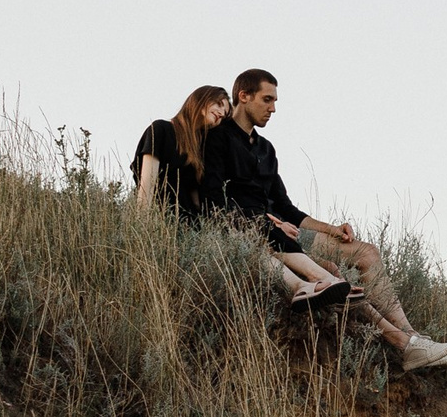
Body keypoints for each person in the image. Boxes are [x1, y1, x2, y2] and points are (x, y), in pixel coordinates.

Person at [204, 68, 447, 370]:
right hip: (258, 232)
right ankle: (405, 345)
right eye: (267, 99)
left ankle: (416, 339)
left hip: (287, 229)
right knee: (332, 273)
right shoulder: (217, 139)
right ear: (243, 96)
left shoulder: (266, 149)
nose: (273, 108)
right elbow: (216, 200)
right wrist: (267, 221)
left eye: (275, 101)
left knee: (366, 253)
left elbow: (287, 207)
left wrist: (331, 229)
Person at [136, 85, 349, 310]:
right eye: (218, 104)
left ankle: (311, 283)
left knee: (252, 231)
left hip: (194, 224)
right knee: (246, 233)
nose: (221, 113)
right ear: (200, 99)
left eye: (225, 111)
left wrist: (262, 218)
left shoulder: (199, 145)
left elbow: (200, 197)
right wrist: (144, 232)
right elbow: (146, 188)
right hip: (164, 224)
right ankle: (306, 283)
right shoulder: (161, 129)